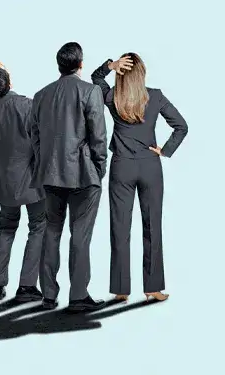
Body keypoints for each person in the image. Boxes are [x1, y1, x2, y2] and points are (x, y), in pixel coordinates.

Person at [91, 52, 187, 304]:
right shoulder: (154, 96)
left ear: (121, 74)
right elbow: (181, 125)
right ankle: (153, 288)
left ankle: (121, 289)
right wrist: (165, 150)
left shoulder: (113, 97)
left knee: (119, 227)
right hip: (150, 167)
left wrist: (109, 66)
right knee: (152, 227)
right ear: (142, 72)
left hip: (121, 166)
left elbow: (95, 78)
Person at [26, 41, 108, 313]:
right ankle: (78, 296)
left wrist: (43, 161)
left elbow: (34, 136)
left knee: (51, 232)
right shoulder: (90, 91)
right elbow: (99, 136)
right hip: (84, 175)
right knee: (80, 236)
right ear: (81, 64)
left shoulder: (41, 95)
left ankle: (49, 296)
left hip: (49, 174)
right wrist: (99, 170)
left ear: (59, 65)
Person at [0, 61, 46, 303]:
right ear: (9, 82)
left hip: (2, 180)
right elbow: (41, 144)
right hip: (32, 180)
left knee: (6, 227)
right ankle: (26, 285)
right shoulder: (27, 105)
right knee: (38, 226)